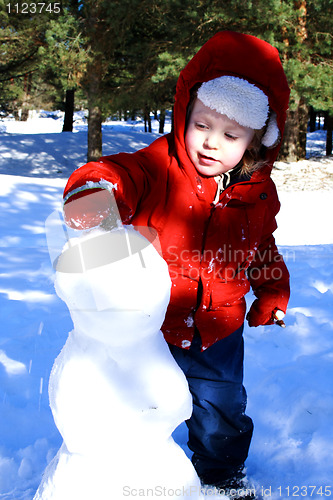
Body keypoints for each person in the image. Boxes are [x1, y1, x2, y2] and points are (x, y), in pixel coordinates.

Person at [62, 31, 290, 498]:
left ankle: (222, 478)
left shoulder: (258, 193)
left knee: (221, 411)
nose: (210, 143)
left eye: (230, 135)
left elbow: (262, 246)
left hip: (219, 331)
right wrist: (96, 192)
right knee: (139, 405)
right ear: (185, 112)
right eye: (202, 124)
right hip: (151, 328)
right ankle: (135, 476)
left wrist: (272, 293)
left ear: (253, 142)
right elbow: (120, 173)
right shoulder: (158, 167)